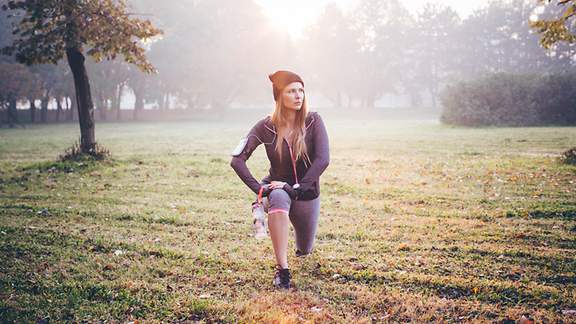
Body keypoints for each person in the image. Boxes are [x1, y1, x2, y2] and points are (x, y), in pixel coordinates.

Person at [230, 70, 330, 289]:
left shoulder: (314, 120)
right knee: (277, 194)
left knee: (304, 250)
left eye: (301, 90)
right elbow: (237, 161)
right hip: (277, 188)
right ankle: (282, 270)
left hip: (306, 194)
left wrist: (297, 188)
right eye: (291, 91)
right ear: (279, 96)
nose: (298, 95)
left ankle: (260, 208)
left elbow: (323, 160)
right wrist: (260, 189)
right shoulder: (265, 127)